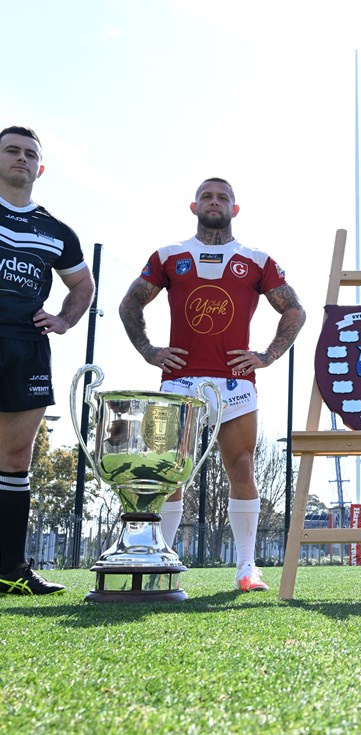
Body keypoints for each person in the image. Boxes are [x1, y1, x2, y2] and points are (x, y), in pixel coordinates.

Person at [119, 177, 305, 592]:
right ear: (193, 205)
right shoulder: (169, 256)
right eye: (207, 196)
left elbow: (293, 309)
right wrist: (150, 351)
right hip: (179, 381)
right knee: (169, 473)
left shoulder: (256, 260)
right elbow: (130, 302)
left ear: (235, 209)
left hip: (235, 382)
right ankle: (160, 561)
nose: (215, 202)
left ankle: (245, 566)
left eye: (223, 197)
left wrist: (267, 355)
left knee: (241, 465)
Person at [0, 126, 95, 595]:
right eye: (11, 150)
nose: (21, 158)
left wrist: (64, 319)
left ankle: (10, 570)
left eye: (29, 153)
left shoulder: (56, 231)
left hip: (27, 347)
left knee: (16, 458)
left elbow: (83, 284)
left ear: (41, 168)